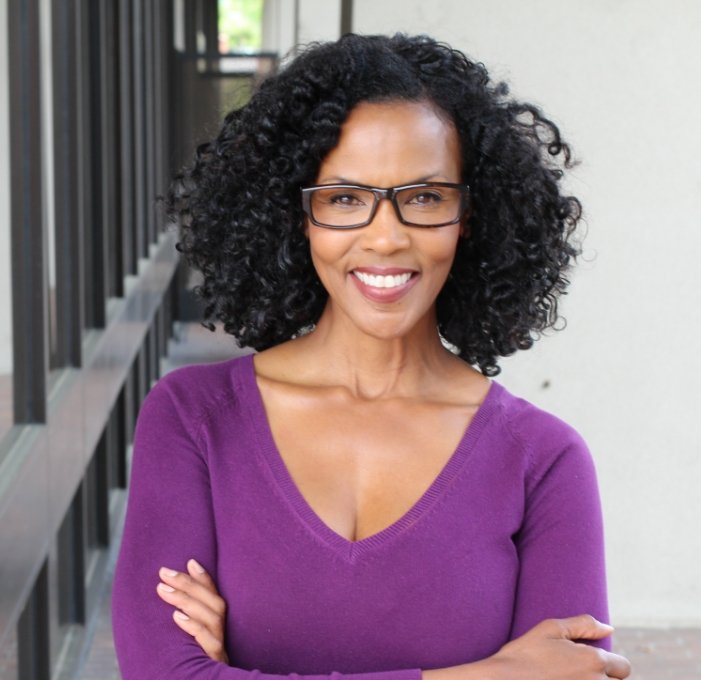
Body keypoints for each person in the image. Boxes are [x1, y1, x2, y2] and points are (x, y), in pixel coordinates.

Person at [112, 33, 631, 680]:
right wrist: (485, 674)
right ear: (296, 214)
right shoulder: (194, 417)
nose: (384, 238)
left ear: (469, 215)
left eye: (424, 198)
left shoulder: (542, 461)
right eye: (344, 199)